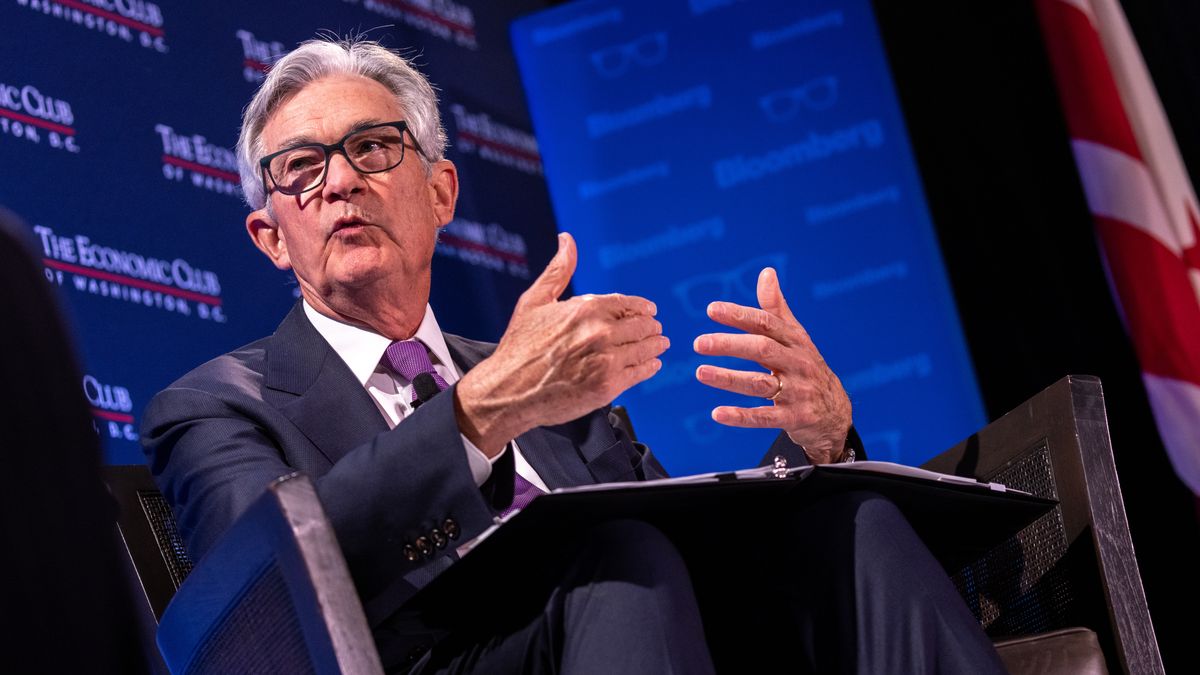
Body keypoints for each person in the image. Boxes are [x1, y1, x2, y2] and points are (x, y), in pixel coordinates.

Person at [142, 37, 1005, 674]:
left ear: (440, 192)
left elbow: (687, 541)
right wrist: (480, 412)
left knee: (856, 526)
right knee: (617, 558)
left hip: (646, 637)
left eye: (371, 147)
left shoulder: (542, 371)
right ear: (271, 237)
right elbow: (265, 599)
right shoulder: (215, 407)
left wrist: (817, 447)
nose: (338, 181)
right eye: (299, 167)